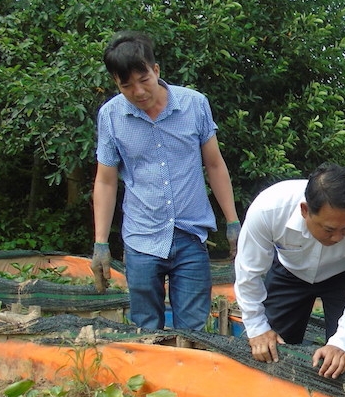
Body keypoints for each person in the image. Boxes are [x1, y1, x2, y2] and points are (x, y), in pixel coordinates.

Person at [91, 31, 240, 332]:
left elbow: (214, 164)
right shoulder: (111, 116)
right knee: (146, 329)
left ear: (156, 70)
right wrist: (100, 243)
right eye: (126, 85)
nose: (138, 91)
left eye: (143, 79)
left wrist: (233, 223)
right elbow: (106, 181)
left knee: (194, 331)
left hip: (190, 235)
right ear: (115, 84)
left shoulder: (194, 105)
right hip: (141, 238)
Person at [234, 162, 345, 379]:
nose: (337, 238)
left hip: (343, 276)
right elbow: (248, 273)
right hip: (289, 272)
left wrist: (342, 343)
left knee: (339, 361)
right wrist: (256, 327)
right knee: (269, 350)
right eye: (329, 229)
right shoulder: (269, 209)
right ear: (305, 210)